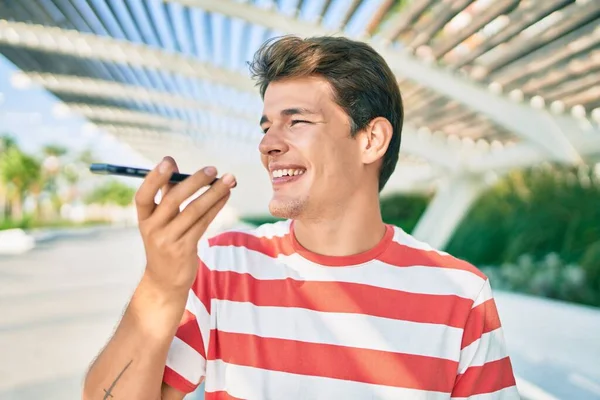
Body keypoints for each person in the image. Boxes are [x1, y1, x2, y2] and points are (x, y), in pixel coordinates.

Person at [82, 35, 519, 400]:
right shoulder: (222, 267)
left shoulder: (461, 297)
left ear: (371, 140)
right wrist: (160, 286)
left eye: (296, 122)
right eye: (266, 125)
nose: (268, 143)